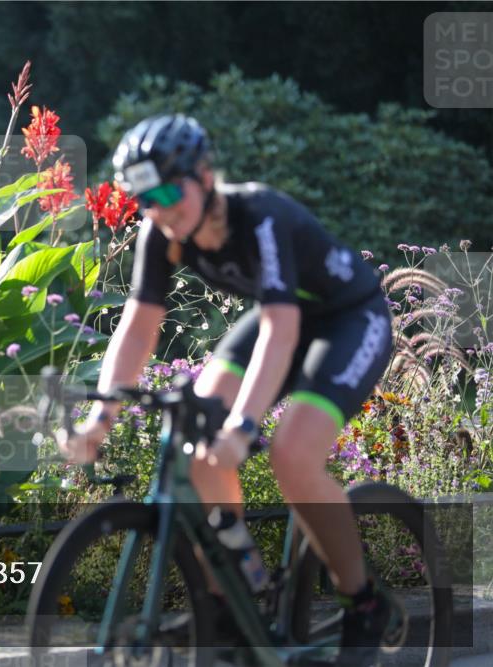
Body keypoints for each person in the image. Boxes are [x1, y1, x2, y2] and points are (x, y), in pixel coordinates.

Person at [60, 114, 394, 665]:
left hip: (347, 319)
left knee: (291, 454)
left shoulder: (258, 214)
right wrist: (102, 416)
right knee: (197, 439)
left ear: (205, 174)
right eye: (145, 200)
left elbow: (282, 331)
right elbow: (138, 327)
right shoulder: (162, 235)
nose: (159, 210)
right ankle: (240, 587)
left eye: (169, 191)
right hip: (277, 320)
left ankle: (363, 600)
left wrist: (243, 425)